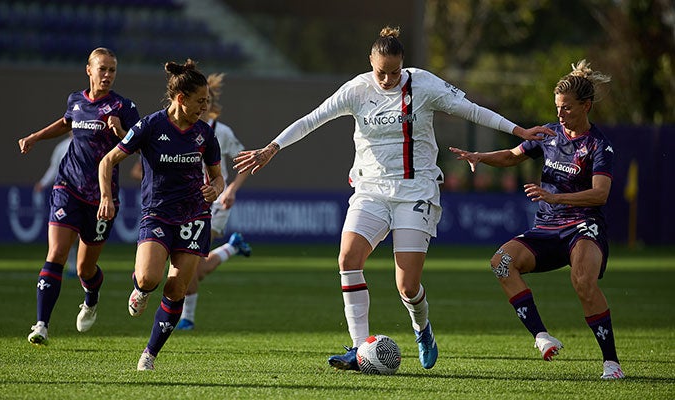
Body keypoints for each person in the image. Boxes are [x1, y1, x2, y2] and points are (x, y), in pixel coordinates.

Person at [233, 26, 555, 371]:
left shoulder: (423, 84)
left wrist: (519, 131)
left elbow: (471, 110)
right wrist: (272, 148)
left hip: (415, 191)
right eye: (380, 71)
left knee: (407, 285)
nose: (387, 79)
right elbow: (313, 119)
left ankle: (422, 327)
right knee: (348, 258)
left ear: (403, 65)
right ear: (370, 63)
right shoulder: (357, 89)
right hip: (371, 190)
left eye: (394, 71)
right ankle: (358, 349)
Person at [448, 60, 624, 380]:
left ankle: (611, 363)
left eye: (567, 108)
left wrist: (555, 197)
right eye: (557, 107)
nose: (560, 114)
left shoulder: (598, 146)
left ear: (586, 106)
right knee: (501, 262)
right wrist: (480, 157)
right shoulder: (549, 134)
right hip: (547, 228)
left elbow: (600, 194)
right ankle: (542, 337)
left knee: (583, 282)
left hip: (583, 226)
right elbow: (512, 156)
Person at [97, 59, 224, 371]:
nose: (205, 107)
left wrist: (216, 189)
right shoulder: (150, 126)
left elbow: (218, 176)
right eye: (200, 101)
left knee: (177, 287)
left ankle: (149, 354)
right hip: (157, 213)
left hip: (194, 216)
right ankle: (140, 289)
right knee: (149, 278)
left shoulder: (205, 134)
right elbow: (108, 161)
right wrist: (105, 197)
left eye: (207, 101)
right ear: (181, 99)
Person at [19, 47, 140, 345]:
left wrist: (121, 130)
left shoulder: (123, 106)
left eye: (112, 70)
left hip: (102, 197)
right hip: (67, 187)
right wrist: (34, 137)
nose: (108, 75)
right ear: (89, 70)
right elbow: (65, 123)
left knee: (85, 268)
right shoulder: (76, 101)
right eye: (103, 69)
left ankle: (91, 297)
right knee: (56, 254)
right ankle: (42, 325)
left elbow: (136, 146)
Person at [177, 72, 252, 331]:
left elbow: (245, 163)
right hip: (188, 202)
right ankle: (232, 247)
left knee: (190, 263)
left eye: (206, 99)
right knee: (196, 266)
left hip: (216, 203)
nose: (203, 104)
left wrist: (230, 188)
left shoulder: (222, 132)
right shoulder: (182, 127)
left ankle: (187, 318)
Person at [33, 132, 77, 278]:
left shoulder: (89, 143)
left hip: (86, 196)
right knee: (66, 234)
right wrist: (43, 183)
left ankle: (83, 268)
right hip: (65, 195)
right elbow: (54, 168)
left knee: (81, 236)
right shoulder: (62, 147)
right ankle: (71, 267)